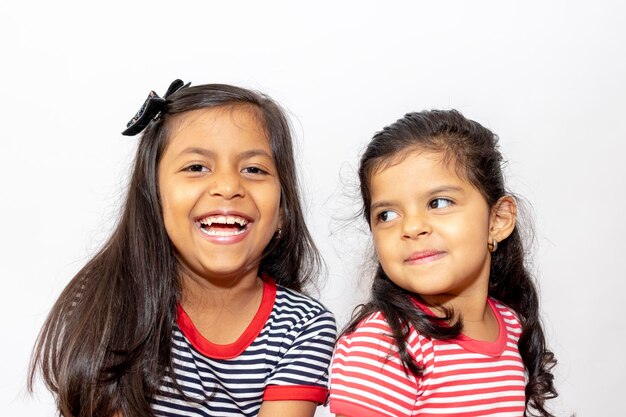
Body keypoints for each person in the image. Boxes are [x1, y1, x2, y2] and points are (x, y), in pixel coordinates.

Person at [29, 80, 337, 417]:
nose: (228, 186)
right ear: (153, 196)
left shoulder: (303, 327)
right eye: (196, 167)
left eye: (253, 169)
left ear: (282, 210)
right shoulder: (107, 302)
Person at [329, 110, 557, 417]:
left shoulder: (512, 325)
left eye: (439, 203)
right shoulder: (386, 342)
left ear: (497, 220)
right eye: (387, 215)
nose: (411, 228)